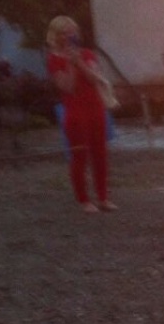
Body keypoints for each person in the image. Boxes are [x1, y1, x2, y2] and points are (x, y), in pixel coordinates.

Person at [46, 16, 116, 212]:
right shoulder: (54, 59)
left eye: (72, 32)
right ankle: (84, 200)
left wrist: (80, 62)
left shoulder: (87, 54)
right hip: (75, 112)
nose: (70, 36)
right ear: (56, 36)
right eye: (65, 32)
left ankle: (103, 198)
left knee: (100, 154)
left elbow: (95, 80)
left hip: (95, 108)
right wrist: (70, 64)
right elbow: (67, 87)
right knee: (79, 155)